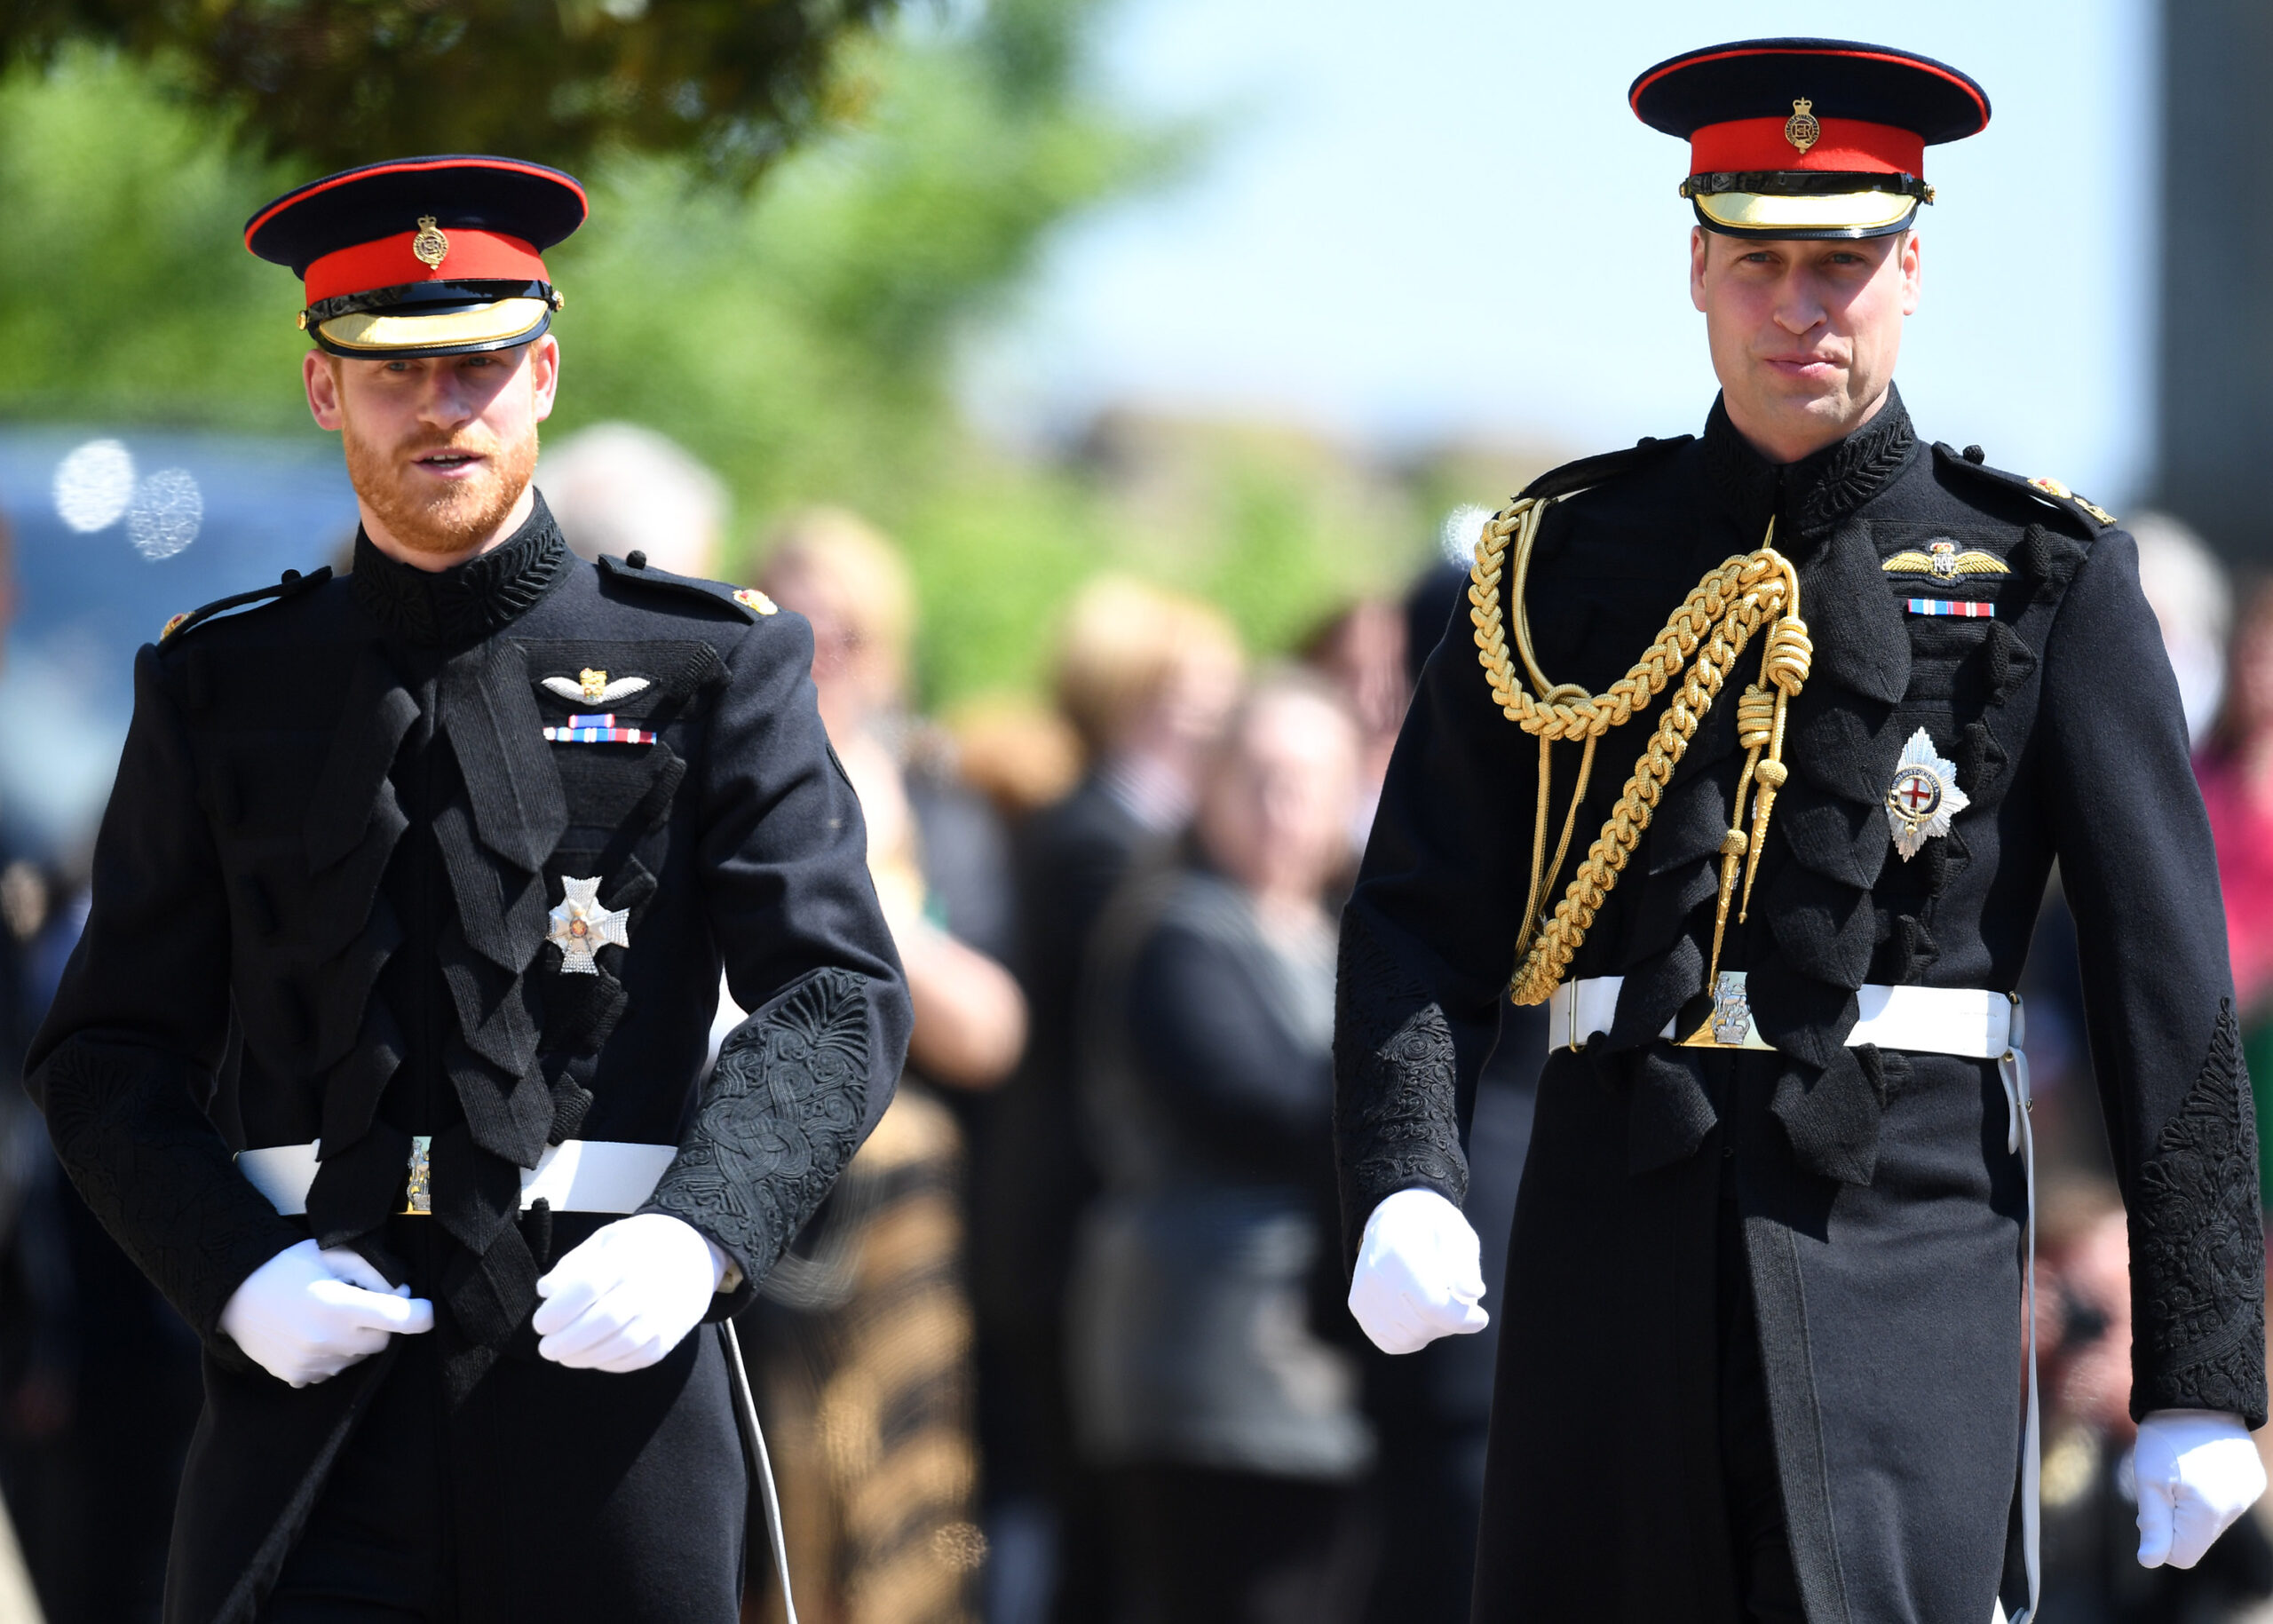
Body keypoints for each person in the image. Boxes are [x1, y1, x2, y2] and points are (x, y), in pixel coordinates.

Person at [1333, 40, 2267, 1623]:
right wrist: (1405, 1168)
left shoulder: (2040, 573)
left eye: (1842, 260)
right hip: (1607, 1246)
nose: (1799, 305)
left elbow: (2165, 992)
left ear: (1912, 265)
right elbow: (1420, 904)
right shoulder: (1558, 560)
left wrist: (2204, 1365)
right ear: (1695, 263)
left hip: (1900, 1258)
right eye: (1758, 257)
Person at [22, 154, 909, 1622]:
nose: (443, 408)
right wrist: (235, 1270)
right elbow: (106, 1051)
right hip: (318, 1413)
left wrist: (699, 1230)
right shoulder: (220, 681)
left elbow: (834, 992)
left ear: (544, 373)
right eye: (394, 374)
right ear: (325, 392)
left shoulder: (707, 663)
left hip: (607, 1394)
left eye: (481, 366)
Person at [733, 507, 1021, 1624]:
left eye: (843, 631)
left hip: (897, 1216)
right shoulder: (704, 781)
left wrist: (868, 898)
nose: (817, 653)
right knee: (768, 1520)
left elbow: (993, 1033)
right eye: (787, 623)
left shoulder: (940, 803)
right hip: (747, 1201)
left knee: (904, 1524)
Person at [1069, 672, 1375, 1624]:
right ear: (1208, 782)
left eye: (1306, 782)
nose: (1280, 807)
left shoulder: (1328, 934)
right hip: (1206, 1362)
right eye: (1258, 776)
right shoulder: (1177, 925)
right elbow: (1258, 1101)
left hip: (1315, 1370)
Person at [970, 576, 1239, 1622]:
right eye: (1188, 687)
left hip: (1070, 1219)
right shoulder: (1099, 837)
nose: (1213, 709)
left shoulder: (1112, 827)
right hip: (1066, 1222)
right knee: (1061, 1515)